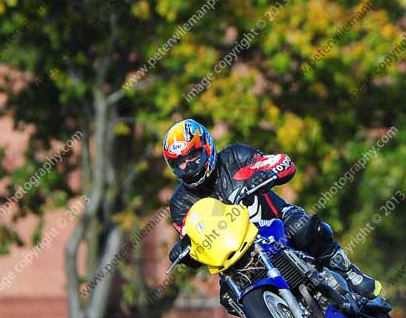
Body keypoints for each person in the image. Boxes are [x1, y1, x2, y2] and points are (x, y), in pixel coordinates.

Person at [162, 119, 381, 307]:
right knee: (227, 297)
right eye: (180, 163)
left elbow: (281, 163)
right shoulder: (180, 203)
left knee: (303, 227)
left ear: (207, 148)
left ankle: (348, 273)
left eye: (193, 156)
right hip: (235, 258)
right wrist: (183, 250)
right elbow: (191, 241)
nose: (189, 165)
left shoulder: (235, 156)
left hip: (275, 222)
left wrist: (266, 173)